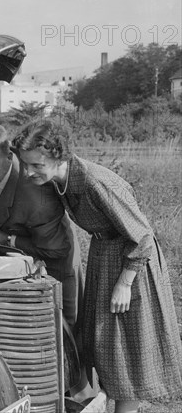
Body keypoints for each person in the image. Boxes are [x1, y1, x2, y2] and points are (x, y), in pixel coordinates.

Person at [12, 119, 182, 413]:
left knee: (128, 353)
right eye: (25, 165)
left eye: (36, 165)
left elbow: (142, 236)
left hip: (132, 263)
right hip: (106, 255)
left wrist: (124, 283)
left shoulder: (95, 181)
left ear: (59, 155)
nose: (28, 172)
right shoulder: (59, 180)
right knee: (108, 348)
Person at [0, 120, 83, 328]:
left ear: (10, 156)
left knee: (60, 336)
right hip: (23, 262)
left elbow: (56, 249)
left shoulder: (36, 200)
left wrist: (6, 239)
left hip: (55, 269)